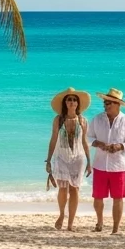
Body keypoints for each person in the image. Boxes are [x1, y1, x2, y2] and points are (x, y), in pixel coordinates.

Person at [88, 88, 125, 234]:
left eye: (109, 102)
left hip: (119, 166)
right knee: (97, 197)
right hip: (99, 164)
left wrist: (119, 146)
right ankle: (99, 222)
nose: (105, 105)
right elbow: (88, 137)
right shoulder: (97, 119)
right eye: (105, 102)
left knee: (118, 198)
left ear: (117, 104)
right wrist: (98, 144)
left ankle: (115, 229)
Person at [46, 87, 92, 231]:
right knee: (63, 188)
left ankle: (71, 223)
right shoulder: (58, 119)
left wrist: (90, 162)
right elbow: (53, 139)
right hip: (61, 157)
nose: (72, 102)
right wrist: (48, 160)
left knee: (75, 189)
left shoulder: (83, 120)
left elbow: (84, 142)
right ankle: (61, 214)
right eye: (69, 100)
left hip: (78, 158)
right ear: (65, 103)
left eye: (74, 100)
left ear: (77, 104)